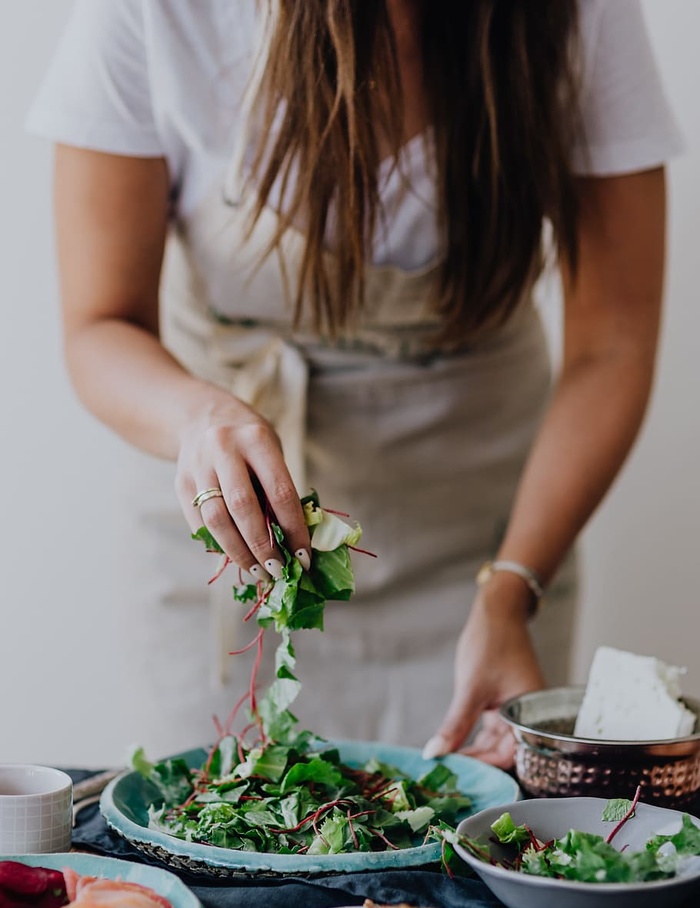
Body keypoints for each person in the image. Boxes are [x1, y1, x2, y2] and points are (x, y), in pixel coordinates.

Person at [28, 0, 681, 766]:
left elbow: (614, 340)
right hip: (236, 554)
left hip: (491, 549)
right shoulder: (154, 14)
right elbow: (100, 325)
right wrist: (199, 418)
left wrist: (510, 590)